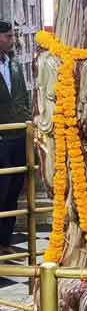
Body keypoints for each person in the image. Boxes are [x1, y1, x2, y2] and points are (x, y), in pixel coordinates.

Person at [0, 21, 30, 254]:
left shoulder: (15, 65)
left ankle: (5, 241)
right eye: (8, 36)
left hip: (18, 134)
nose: (12, 40)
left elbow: (23, 97)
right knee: (2, 185)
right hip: (0, 136)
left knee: (15, 187)